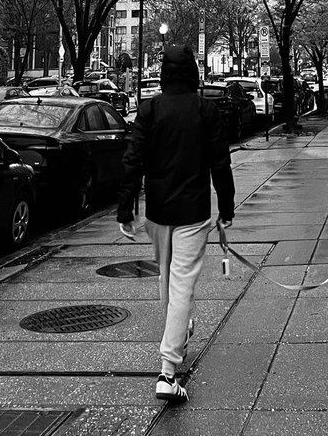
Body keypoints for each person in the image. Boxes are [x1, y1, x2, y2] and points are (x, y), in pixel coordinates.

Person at [116, 43, 235, 405]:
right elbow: (220, 162)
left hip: (158, 211)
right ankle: (168, 371)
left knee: (167, 279)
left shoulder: (150, 110)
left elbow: (132, 160)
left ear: (165, 73)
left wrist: (125, 209)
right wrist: (226, 207)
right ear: (194, 71)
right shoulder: (205, 110)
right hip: (193, 212)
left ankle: (178, 330)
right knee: (181, 285)